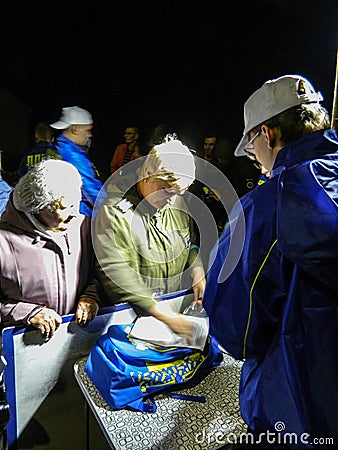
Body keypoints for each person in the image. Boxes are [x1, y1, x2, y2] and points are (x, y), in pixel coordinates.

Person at [203, 74, 338, 447]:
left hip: (299, 407)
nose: (256, 161)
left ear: (267, 134)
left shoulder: (265, 207)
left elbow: (235, 329)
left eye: (252, 149)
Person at [93, 135, 206, 340]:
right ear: (147, 174)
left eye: (180, 193)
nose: (172, 200)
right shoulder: (114, 213)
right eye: (167, 190)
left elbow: (189, 240)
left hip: (171, 312)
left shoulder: (174, 201)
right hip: (130, 323)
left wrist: (196, 268)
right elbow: (117, 272)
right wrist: (164, 314)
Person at [0, 159, 100, 340]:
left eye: (76, 202)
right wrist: (26, 313)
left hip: (74, 337)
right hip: (25, 345)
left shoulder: (82, 226)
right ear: (38, 207)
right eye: (65, 207)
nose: (75, 213)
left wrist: (90, 296)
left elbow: (97, 273)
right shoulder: (3, 240)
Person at [50, 106, 103, 218]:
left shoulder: (57, 148)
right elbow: (90, 191)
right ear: (75, 129)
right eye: (88, 130)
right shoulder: (73, 156)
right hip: (78, 216)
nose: (90, 135)